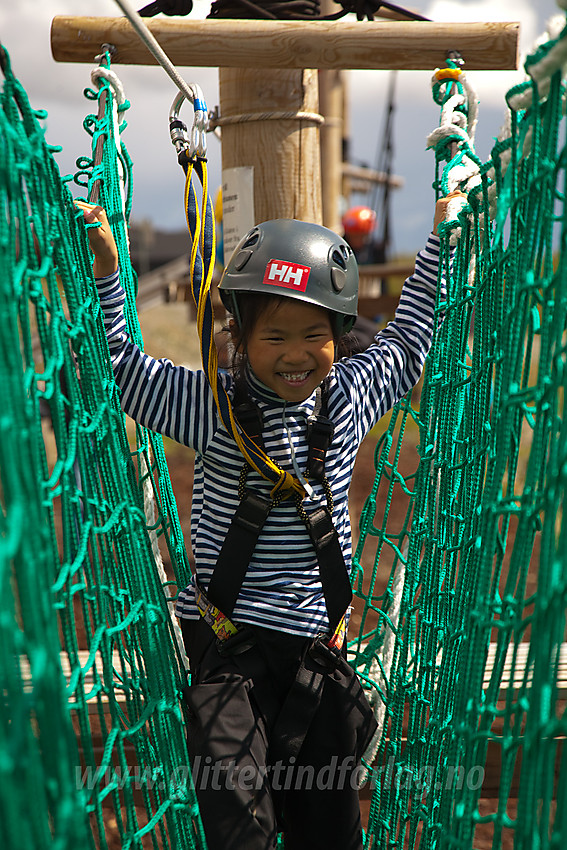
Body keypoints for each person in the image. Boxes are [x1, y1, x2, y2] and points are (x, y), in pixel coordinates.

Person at [77, 192, 459, 850]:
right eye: (273, 335)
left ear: (338, 336)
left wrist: (440, 245)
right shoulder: (209, 405)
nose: (295, 353)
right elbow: (121, 369)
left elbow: (410, 340)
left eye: (314, 335)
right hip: (227, 656)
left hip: (316, 657)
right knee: (236, 830)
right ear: (240, 337)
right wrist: (109, 273)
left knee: (330, 830)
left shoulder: (353, 393)